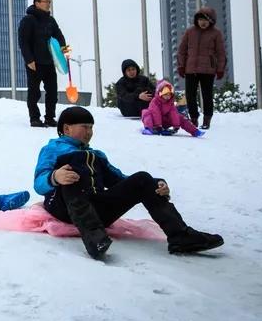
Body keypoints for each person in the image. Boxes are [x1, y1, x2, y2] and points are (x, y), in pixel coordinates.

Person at [33, 106, 223, 259]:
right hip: (63, 208)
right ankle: (94, 238)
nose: (90, 132)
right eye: (85, 127)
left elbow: (120, 180)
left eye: (91, 127)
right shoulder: (52, 150)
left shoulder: (96, 155)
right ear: (67, 128)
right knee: (70, 173)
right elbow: (39, 183)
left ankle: (180, 236)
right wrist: (55, 177)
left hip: (97, 209)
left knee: (142, 178)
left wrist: (155, 185)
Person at [18, 0, 68, 127]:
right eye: (46, 1)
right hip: (34, 63)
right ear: (37, 3)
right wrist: (29, 60)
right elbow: (23, 42)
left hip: (50, 61)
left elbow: (59, 35)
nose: (48, 4)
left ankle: (50, 117)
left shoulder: (51, 20)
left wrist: (64, 49)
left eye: (49, 2)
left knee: (52, 92)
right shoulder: (28, 20)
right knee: (34, 92)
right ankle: (34, 118)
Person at [176, 6, 226, 130]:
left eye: (206, 20)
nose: (203, 22)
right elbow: (181, 50)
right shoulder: (190, 32)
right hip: (190, 69)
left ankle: (207, 119)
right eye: (200, 19)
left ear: (211, 21)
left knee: (207, 95)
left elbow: (221, 53)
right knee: (190, 95)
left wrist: (220, 68)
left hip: (208, 70)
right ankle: (193, 118)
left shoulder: (216, 33)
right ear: (196, 20)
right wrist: (181, 66)